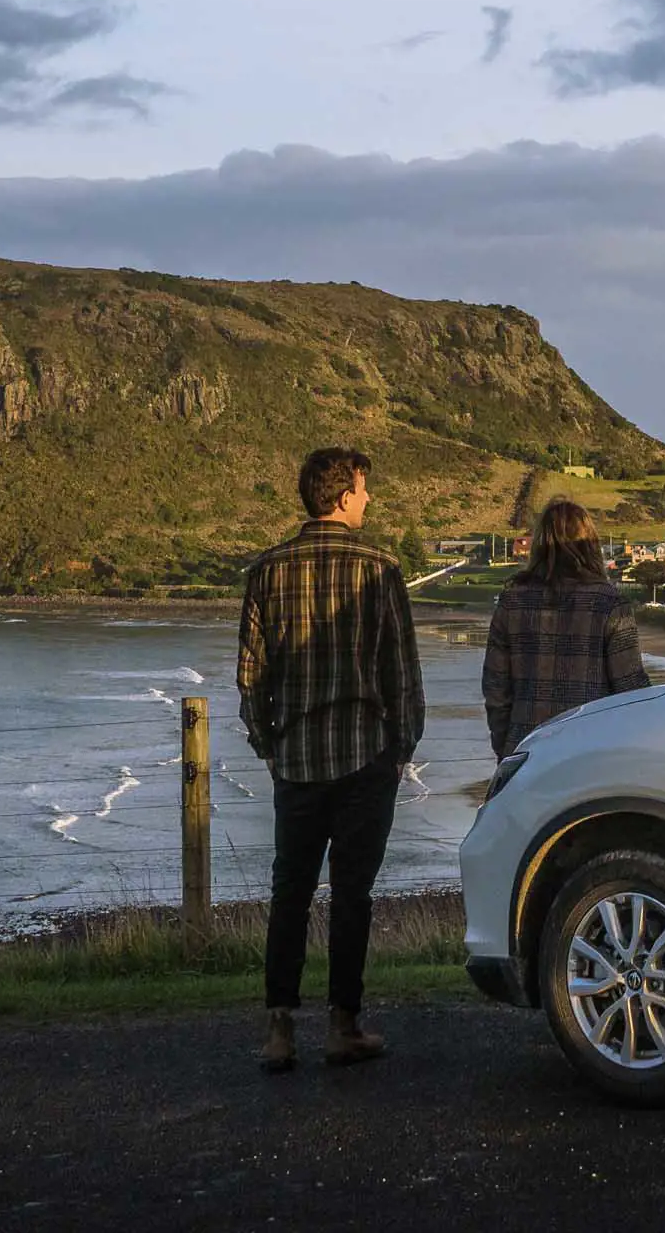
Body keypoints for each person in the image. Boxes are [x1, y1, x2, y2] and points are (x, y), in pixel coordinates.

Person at [236, 445, 424, 1074]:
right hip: (364, 755)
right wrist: (402, 750)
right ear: (343, 497)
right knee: (352, 895)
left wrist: (271, 749)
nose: (369, 500)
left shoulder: (267, 570)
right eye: (364, 491)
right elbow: (403, 674)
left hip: (295, 759)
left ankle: (278, 1030)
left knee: (289, 891)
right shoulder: (380, 569)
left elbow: (249, 681)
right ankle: (343, 1023)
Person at [482, 499, 650, 759]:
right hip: (592, 754)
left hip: (525, 752)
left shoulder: (511, 602)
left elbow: (495, 690)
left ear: (539, 544)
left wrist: (506, 750)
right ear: (591, 544)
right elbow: (632, 692)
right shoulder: (609, 603)